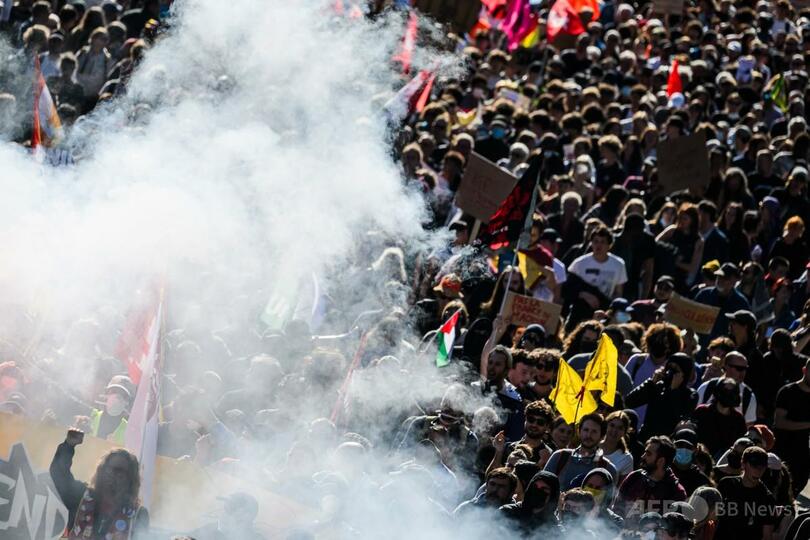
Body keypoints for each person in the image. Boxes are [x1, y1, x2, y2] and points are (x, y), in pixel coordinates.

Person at [49, 428, 149, 539]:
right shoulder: (82, 495)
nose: (112, 474)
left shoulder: (138, 515)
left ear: (130, 478)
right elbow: (59, 476)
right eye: (109, 468)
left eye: (119, 471)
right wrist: (68, 446)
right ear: (101, 470)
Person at [612, 436, 687, 526]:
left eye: (648, 454)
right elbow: (616, 511)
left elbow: (672, 528)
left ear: (661, 461)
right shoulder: (634, 478)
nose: (643, 456)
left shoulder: (676, 493)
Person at [625, 353, 698, 441]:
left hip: (667, 442)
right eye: (669, 368)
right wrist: (651, 382)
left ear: (684, 374)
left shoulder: (690, 395)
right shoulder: (658, 386)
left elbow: (679, 417)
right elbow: (630, 402)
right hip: (645, 439)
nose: (670, 372)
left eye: (676, 370)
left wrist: (673, 391)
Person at [716, 447, 778, 540]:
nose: (758, 470)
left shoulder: (767, 499)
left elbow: (767, 536)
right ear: (743, 464)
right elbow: (713, 517)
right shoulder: (726, 484)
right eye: (754, 465)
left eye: (762, 467)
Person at [543, 413, 618, 490]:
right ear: (579, 431)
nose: (588, 435)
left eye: (594, 432)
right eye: (586, 430)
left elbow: (609, 497)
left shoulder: (608, 469)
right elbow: (542, 485)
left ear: (602, 436)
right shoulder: (560, 457)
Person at [772, 357, 810, 497]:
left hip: (803, 455)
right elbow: (780, 422)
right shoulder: (788, 392)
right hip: (784, 451)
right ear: (804, 370)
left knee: (797, 488)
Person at [692, 377, 748, 458]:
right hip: (701, 458)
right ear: (717, 392)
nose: (729, 394)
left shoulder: (738, 419)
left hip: (726, 461)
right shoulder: (702, 411)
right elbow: (693, 434)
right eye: (726, 391)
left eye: (732, 392)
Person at [696, 352, 757, 424]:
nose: (743, 372)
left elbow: (748, 426)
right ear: (726, 366)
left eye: (745, 369)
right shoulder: (707, 387)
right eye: (739, 368)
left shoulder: (748, 396)